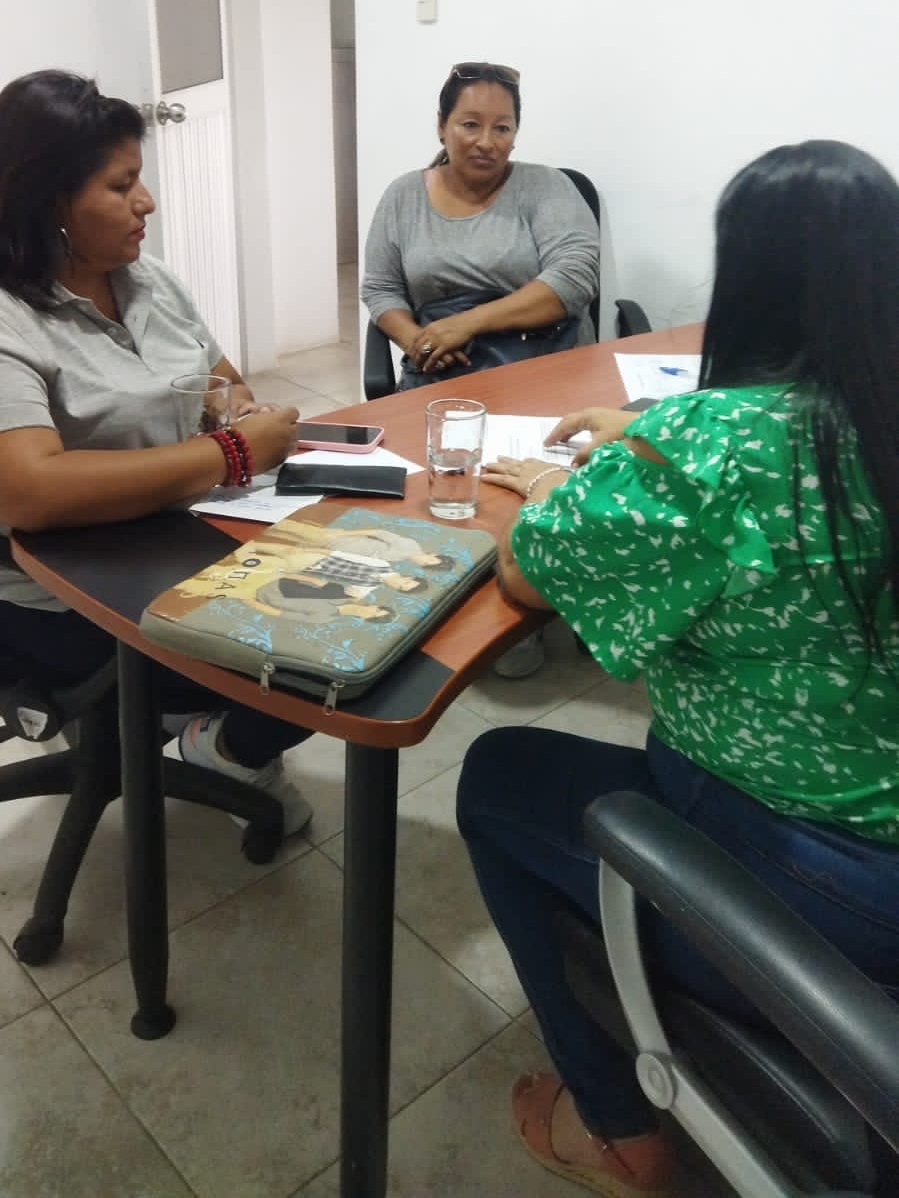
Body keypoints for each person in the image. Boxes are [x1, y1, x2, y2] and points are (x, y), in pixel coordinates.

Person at [457, 139, 899, 1196]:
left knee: (495, 776)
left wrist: (560, 484)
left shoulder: (713, 448)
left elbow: (524, 576)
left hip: (816, 887)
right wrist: (646, 435)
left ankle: (617, 1126)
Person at [0, 69, 314, 836]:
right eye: (122, 185)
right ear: (50, 201)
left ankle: (222, 745)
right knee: (314, 650)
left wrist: (237, 412)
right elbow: (29, 490)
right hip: (67, 592)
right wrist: (230, 451)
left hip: (187, 538)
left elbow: (221, 381)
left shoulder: (151, 281)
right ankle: (229, 742)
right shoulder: (10, 316)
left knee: (364, 601)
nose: (147, 202)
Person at [362, 59, 601, 678]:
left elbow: (573, 280)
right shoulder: (402, 196)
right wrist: (418, 340)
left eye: (503, 127)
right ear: (442, 126)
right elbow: (381, 289)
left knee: (523, 479)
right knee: (449, 487)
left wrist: (467, 323)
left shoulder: (546, 188)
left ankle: (523, 598)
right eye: (470, 124)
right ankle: (457, 591)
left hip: (546, 368)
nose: (486, 141)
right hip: (443, 373)